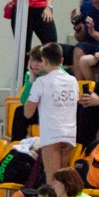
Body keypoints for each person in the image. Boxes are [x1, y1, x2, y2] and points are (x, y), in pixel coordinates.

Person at [22, 43, 78, 178]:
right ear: (62, 60)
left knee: (53, 180)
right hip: (69, 134)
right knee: (63, 180)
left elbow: (27, 113)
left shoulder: (41, 82)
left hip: (52, 134)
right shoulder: (73, 80)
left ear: (45, 60)